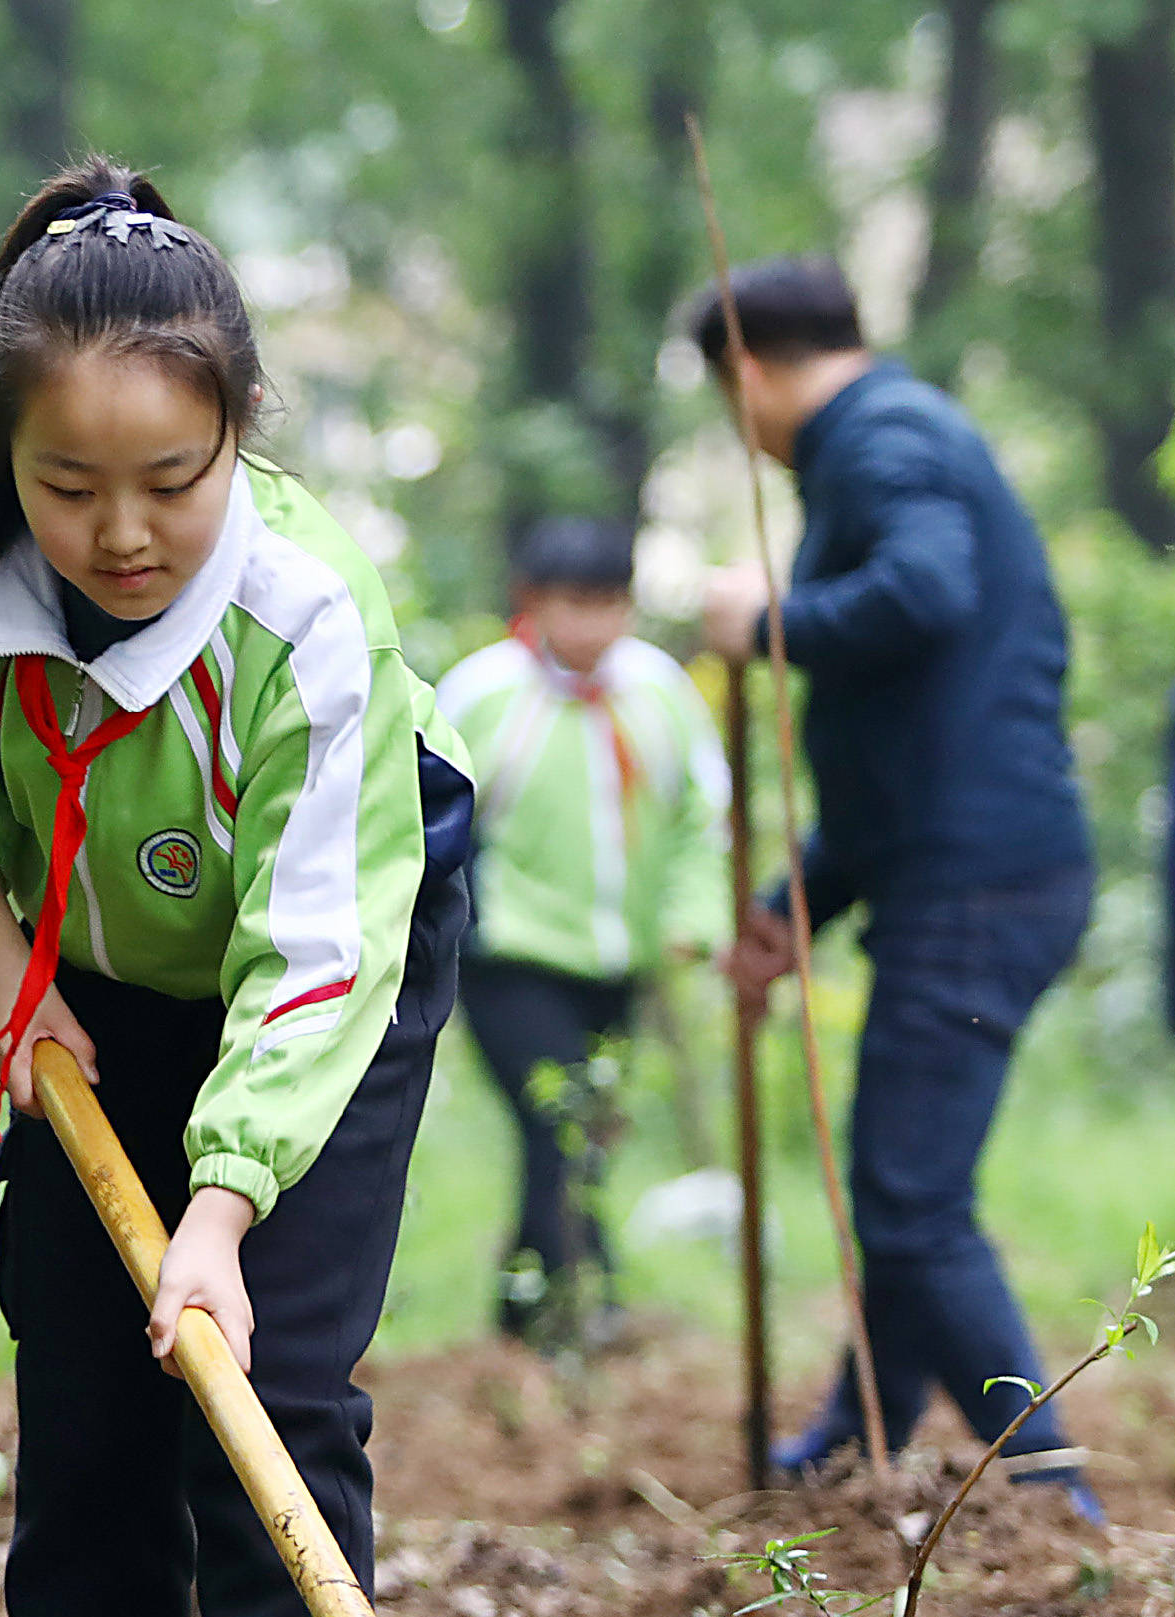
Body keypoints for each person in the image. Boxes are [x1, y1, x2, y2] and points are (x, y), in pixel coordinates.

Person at [0, 162, 474, 1617]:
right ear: (10, 463)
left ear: (239, 434)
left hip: (329, 950)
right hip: (90, 972)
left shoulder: (304, 620)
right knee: (84, 1391)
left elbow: (313, 952)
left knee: (259, 1377)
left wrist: (218, 1209)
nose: (119, 534)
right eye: (69, 487)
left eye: (169, 484)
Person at [689, 255, 1101, 1521]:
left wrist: (770, 622)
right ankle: (855, 1429)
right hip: (962, 866)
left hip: (980, 883)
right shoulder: (886, 440)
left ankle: (1050, 1485)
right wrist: (793, 901)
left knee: (912, 1202)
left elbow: (926, 594)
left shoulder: (883, 441)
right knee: (902, 1186)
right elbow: (908, 756)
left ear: (746, 369)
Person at [433, 517, 729, 1346]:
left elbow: (701, 817)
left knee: (585, 1133)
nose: (593, 626)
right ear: (532, 603)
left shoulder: (660, 692)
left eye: (610, 605)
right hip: (507, 956)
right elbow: (427, 817)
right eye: (575, 604)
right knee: (559, 1122)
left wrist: (691, 920)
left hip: (619, 963)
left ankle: (524, 1309)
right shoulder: (481, 694)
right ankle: (590, 1305)